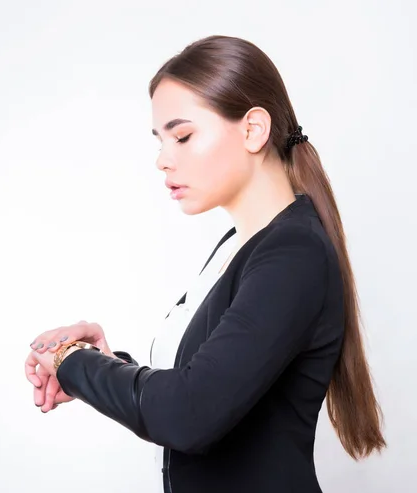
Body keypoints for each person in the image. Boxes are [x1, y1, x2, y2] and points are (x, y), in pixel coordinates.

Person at [24, 35, 386, 493]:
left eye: (183, 136)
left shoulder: (293, 255)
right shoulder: (243, 245)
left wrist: (72, 363)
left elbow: (188, 414)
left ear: (254, 129)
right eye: (160, 140)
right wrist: (104, 365)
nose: (161, 159)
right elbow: (202, 384)